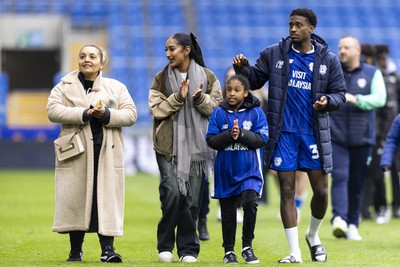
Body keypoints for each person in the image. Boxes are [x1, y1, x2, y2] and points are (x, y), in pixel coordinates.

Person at [233, 7, 346, 263]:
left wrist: (327, 100)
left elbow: (340, 93)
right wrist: (242, 69)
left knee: (322, 192)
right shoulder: (274, 53)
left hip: (312, 134)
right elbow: (254, 80)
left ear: (311, 28)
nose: (293, 28)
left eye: (298, 25)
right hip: (283, 133)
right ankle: (294, 251)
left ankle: (313, 235)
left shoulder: (327, 59)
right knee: (287, 190)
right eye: (290, 24)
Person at [46, 44, 137, 263]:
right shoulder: (63, 86)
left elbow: (131, 114)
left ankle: (108, 250)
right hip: (75, 153)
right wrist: (84, 113)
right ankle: (75, 251)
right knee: (76, 199)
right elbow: (52, 110)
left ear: (102, 62)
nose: (87, 59)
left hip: (106, 152)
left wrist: (107, 114)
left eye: (93, 56)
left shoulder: (116, 87)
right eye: (83, 56)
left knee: (105, 200)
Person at [148, 32, 222, 263]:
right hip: (167, 146)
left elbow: (218, 111)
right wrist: (178, 98)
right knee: (170, 192)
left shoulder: (208, 77)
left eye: (172, 49)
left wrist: (200, 99)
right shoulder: (160, 78)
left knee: (191, 200)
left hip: (198, 148)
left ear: (186, 51)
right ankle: (165, 245)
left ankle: (188, 249)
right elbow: (157, 109)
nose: (168, 54)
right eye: (167, 50)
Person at [206, 74, 269, 264]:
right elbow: (211, 140)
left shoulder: (257, 113)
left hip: (249, 171)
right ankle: (229, 251)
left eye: (237, 90)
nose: (231, 93)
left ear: (246, 92)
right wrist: (228, 135)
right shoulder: (219, 113)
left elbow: (261, 139)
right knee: (228, 212)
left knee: (250, 203)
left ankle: (247, 246)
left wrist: (241, 134)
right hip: (225, 172)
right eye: (229, 89)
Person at [330, 36, 386, 241]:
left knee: (356, 182)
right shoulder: (332, 72)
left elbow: (381, 98)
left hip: (363, 138)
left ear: (357, 51)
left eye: (346, 47)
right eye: (340, 47)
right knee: (340, 175)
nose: (342, 51)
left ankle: (353, 223)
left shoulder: (372, 73)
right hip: (336, 137)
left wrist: (358, 99)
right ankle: (339, 218)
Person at [361, 44, 400, 223]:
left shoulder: (390, 78)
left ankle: (389, 207)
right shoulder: (373, 76)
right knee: (370, 172)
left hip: (383, 133)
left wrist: (385, 135)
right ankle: (369, 208)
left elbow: (389, 109)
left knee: (386, 172)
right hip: (368, 133)